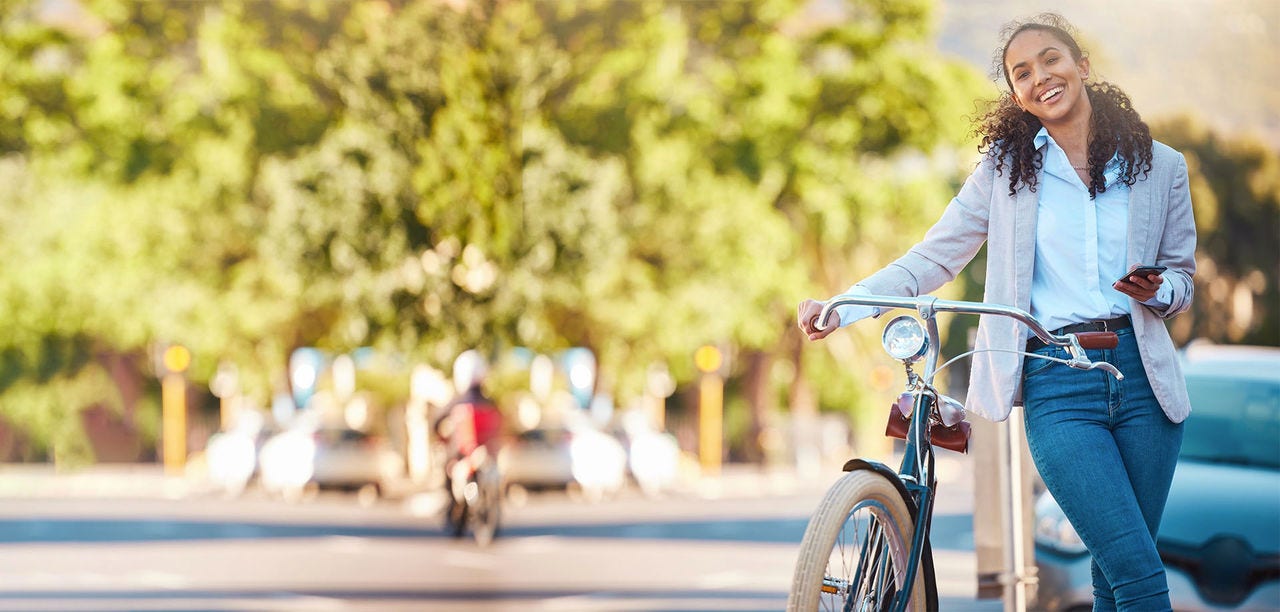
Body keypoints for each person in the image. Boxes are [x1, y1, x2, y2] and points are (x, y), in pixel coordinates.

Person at [796, 13, 1195, 612]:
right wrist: (844, 306)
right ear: (1017, 96)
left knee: (1115, 576)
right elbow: (933, 257)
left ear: (1082, 65)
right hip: (1058, 381)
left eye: (1051, 60)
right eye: (1022, 73)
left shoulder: (1163, 167)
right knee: (1139, 574)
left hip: (1145, 383)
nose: (1041, 77)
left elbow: (1184, 279)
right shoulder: (1006, 174)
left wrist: (1158, 290)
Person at [434, 349, 504, 526]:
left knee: (448, 464)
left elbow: (437, 421)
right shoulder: (489, 401)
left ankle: (451, 502)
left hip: (466, 452)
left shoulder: (458, 401)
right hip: (480, 451)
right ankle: (454, 505)